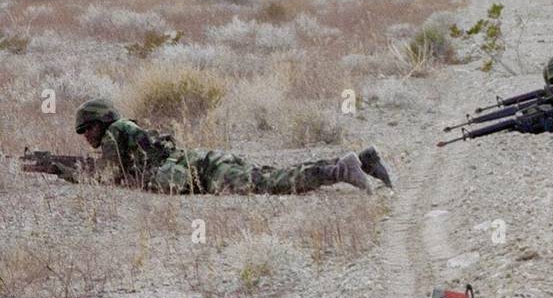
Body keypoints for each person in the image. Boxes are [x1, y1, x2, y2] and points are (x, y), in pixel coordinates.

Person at [23, 100, 392, 194]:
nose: (86, 138)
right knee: (272, 176)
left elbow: (103, 176)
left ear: (99, 122)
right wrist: (56, 162)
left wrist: (56, 167)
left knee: (274, 181)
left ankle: (342, 170)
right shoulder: (124, 132)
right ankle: (360, 161)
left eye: (86, 130)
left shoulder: (117, 132)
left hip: (206, 171)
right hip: (205, 164)